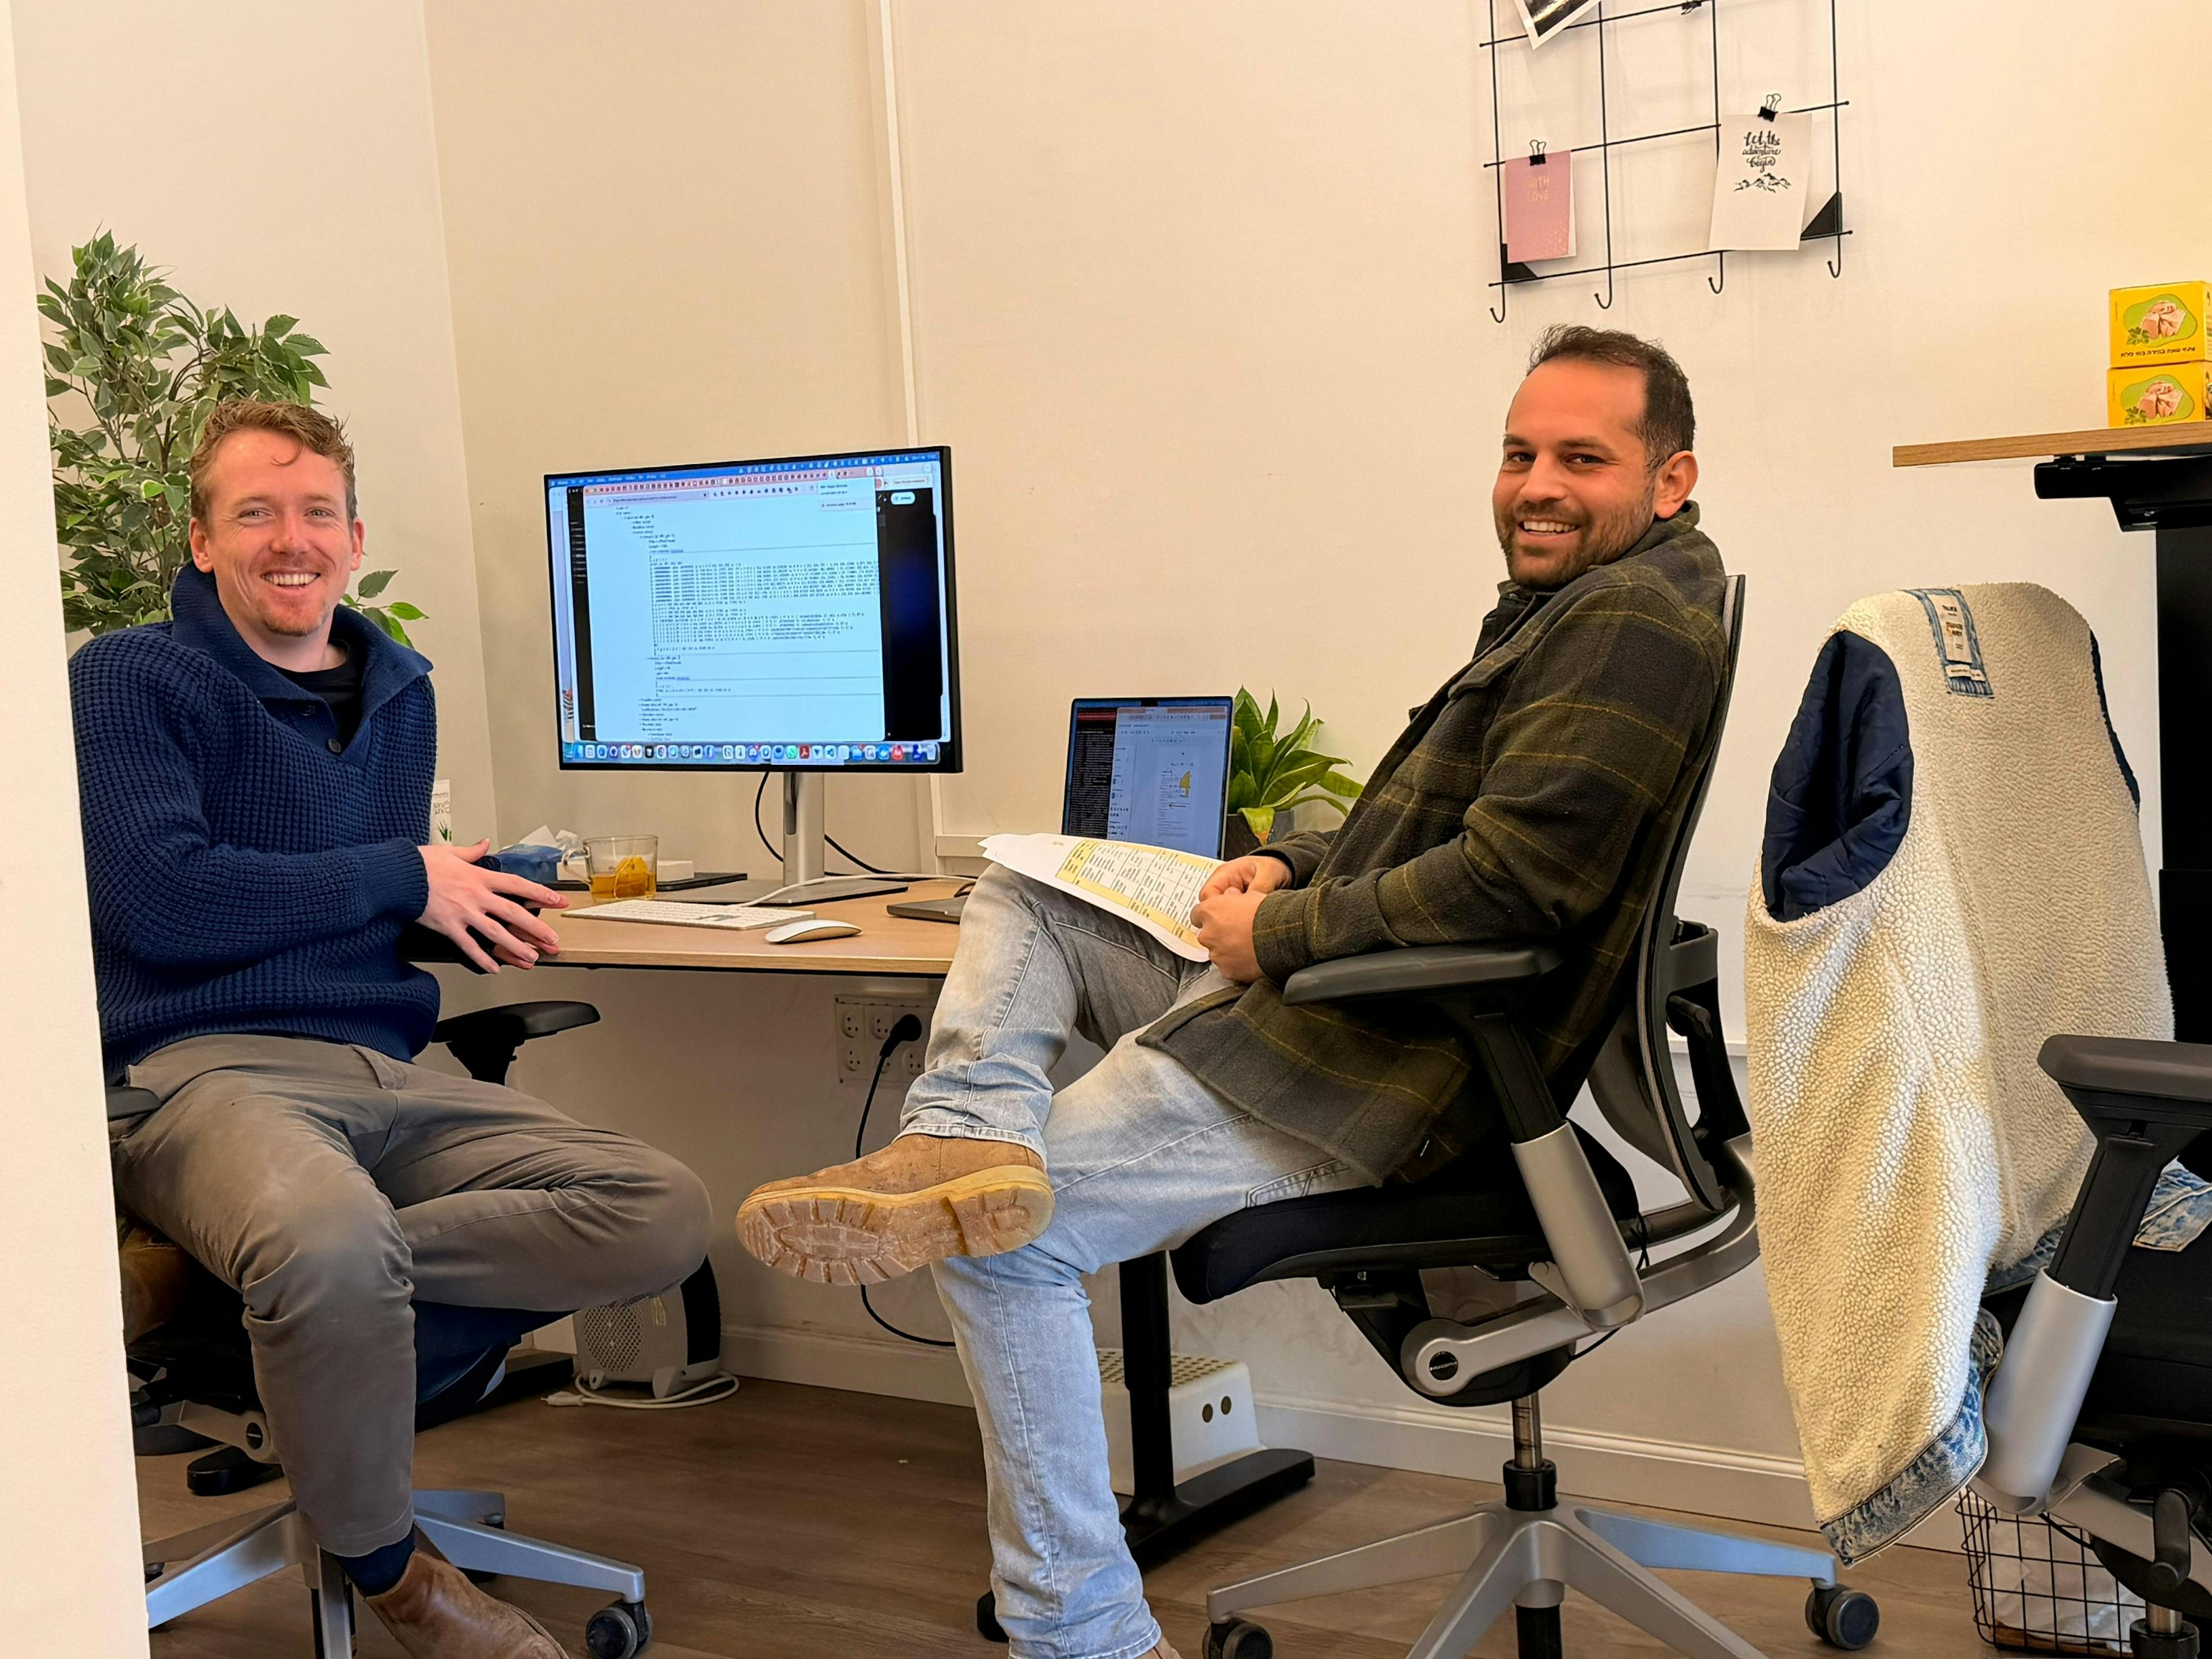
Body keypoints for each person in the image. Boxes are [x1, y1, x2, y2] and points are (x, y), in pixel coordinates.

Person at [736, 325, 1728, 1659]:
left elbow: (1512, 888)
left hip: (1376, 1055)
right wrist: (1290, 866)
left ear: (1670, 480)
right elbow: (1438, 830)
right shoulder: (1579, 608)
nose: (1535, 483)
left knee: (1004, 1241)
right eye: (1518, 451)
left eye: (1580, 458)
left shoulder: (1628, 624)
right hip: (1343, 998)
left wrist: (1287, 935)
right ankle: (963, 1130)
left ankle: (1082, 1634)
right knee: (1026, 885)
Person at [76, 399, 713, 1658]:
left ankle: (314, 1310)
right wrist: (403, 875)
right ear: (202, 542)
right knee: (325, 1240)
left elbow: (367, 883)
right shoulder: (128, 679)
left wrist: (469, 895)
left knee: (664, 1206)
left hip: (386, 1069)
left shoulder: (393, 690)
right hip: (198, 1070)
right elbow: (166, 900)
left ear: (354, 538)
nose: (289, 538)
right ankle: (395, 1575)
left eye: (316, 511)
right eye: (255, 511)